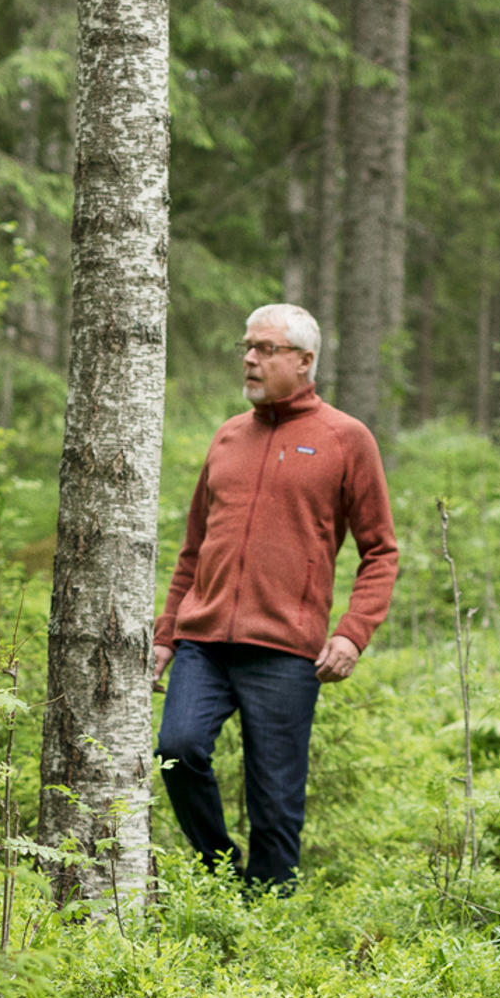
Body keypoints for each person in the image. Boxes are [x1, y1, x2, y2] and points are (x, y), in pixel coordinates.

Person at [150, 304, 399, 890]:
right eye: (247, 347)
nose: (250, 359)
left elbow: (381, 551)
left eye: (264, 349)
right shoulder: (229, 436)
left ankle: (268, 924)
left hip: (287, 651)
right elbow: (193, 547)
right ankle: (221, 875)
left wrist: (351, 632)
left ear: (304, 361)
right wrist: (166, 634)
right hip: (203, 641)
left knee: (276, 802)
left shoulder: (346, 438)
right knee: (174, 750)